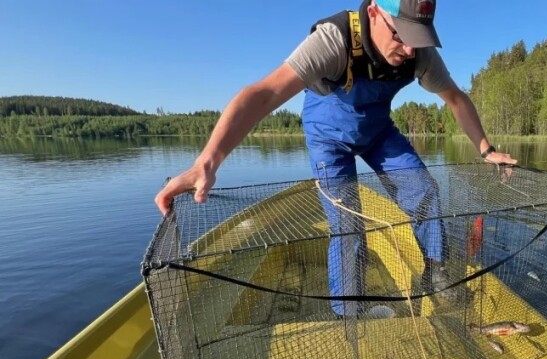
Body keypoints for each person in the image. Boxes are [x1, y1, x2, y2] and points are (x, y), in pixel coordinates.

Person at [154, 0, 516, 316]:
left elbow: (455, 98)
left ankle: (435, 272)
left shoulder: (419, 53)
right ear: (373, 12)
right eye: (400, 35)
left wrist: (486, 149)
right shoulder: (333, 40)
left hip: (377, 130)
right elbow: (263, 95)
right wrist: (206, 163)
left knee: (423, 189)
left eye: (417, 38)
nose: (409, 49)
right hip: (328, 136)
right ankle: (348, 311)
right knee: (348, 225)